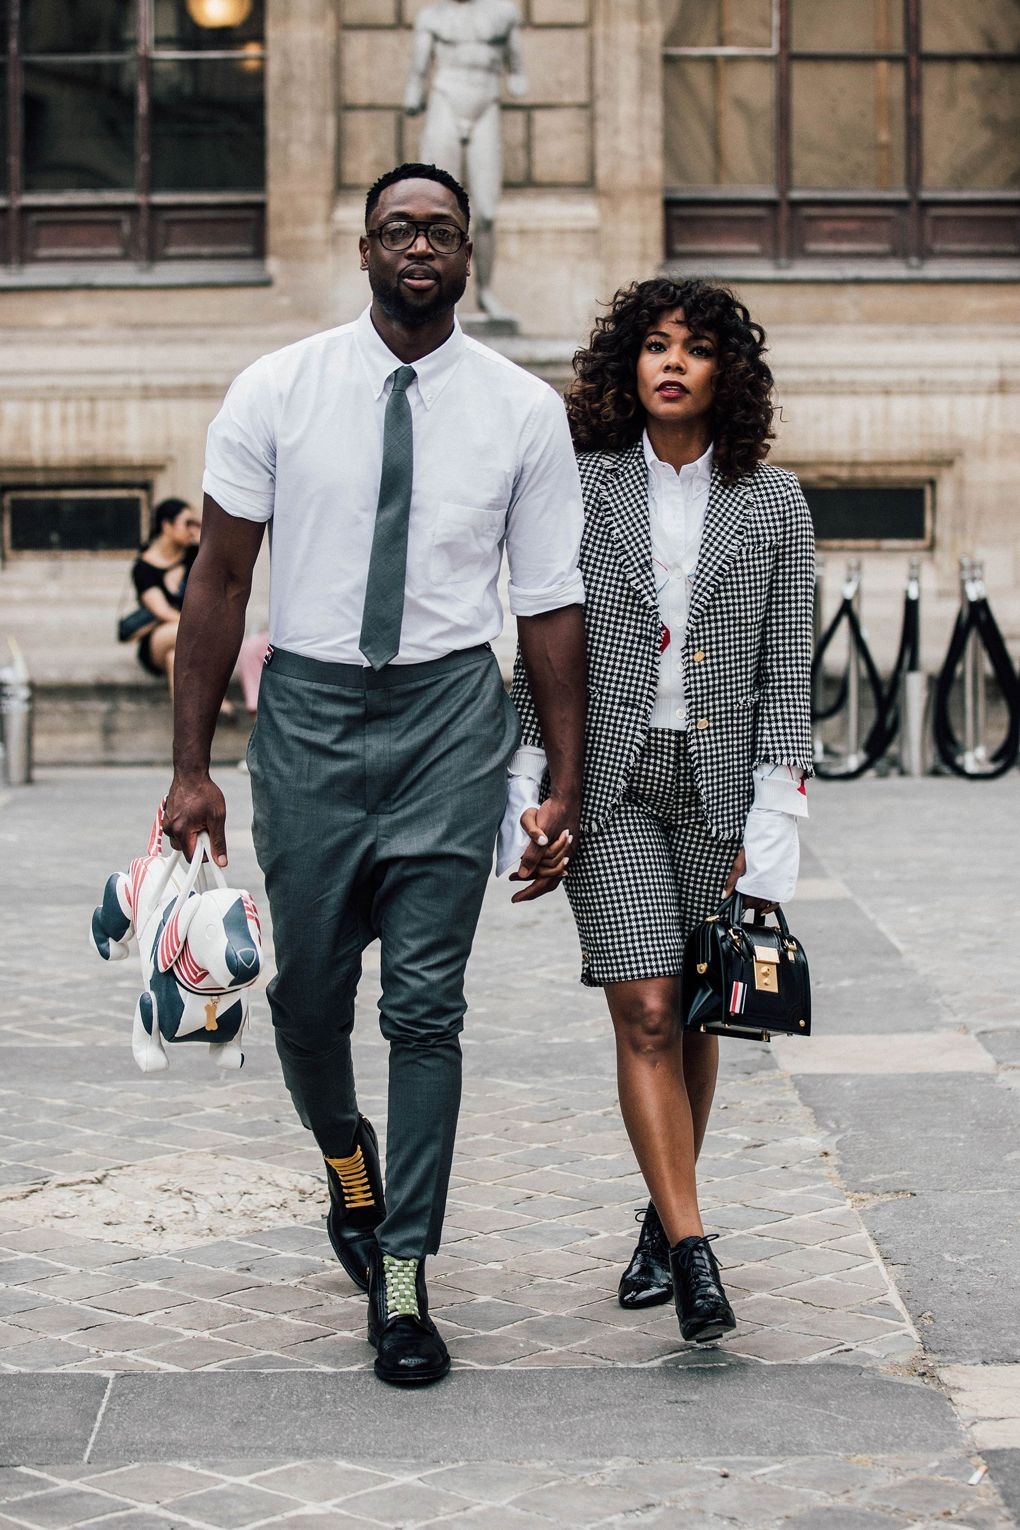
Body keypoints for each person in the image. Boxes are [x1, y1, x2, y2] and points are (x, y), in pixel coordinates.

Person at [161, 162, 586, 1387]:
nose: (419, 247)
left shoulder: (519, 411)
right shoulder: (278, 389)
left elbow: (551, 602)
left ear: (468, 254)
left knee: (427, 1009)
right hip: (305, 716)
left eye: (441, 231)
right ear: (363, 250)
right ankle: (348, 1158)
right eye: (398, 228)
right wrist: (193, 766)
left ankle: (403, 1273)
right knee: (305, 1001)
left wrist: (558, 776)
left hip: (451, 717)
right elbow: (221, 581)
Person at [508, 277, 815, 1344]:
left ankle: (659, 1210)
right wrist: (537, 790)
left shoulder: (776, 505)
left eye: (694, 348)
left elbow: (788, 676)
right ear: (626, 368)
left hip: (724, 792)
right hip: (613, 783)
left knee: (696, 1007)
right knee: (642, 1008)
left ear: (727, 371)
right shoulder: (579, 489)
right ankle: (695, 1255)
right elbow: (540, 655)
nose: (671, 362)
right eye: (653, 346)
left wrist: (771, 836)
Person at [404, 0, 527, 321]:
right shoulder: (433, 17)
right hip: (446, 97)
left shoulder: (503, 13)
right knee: (437, 208)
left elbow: (516, 62)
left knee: (486, 212)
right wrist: (414, 90)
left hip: (485, 102)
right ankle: (440, 298)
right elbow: (419, 66)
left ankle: (485, 292)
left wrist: (517, 75)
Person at [129, 497, 200, 695]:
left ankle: (185, 724)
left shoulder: (195, 555)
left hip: (186, 641)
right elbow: (161, 611)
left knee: (174, 658)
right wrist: (201, 627)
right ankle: (217, 701)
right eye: (187, 523)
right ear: (167, 526)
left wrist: (206, 542)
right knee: (182, 633)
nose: (191, 529)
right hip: (159, 637)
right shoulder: (144, 567)